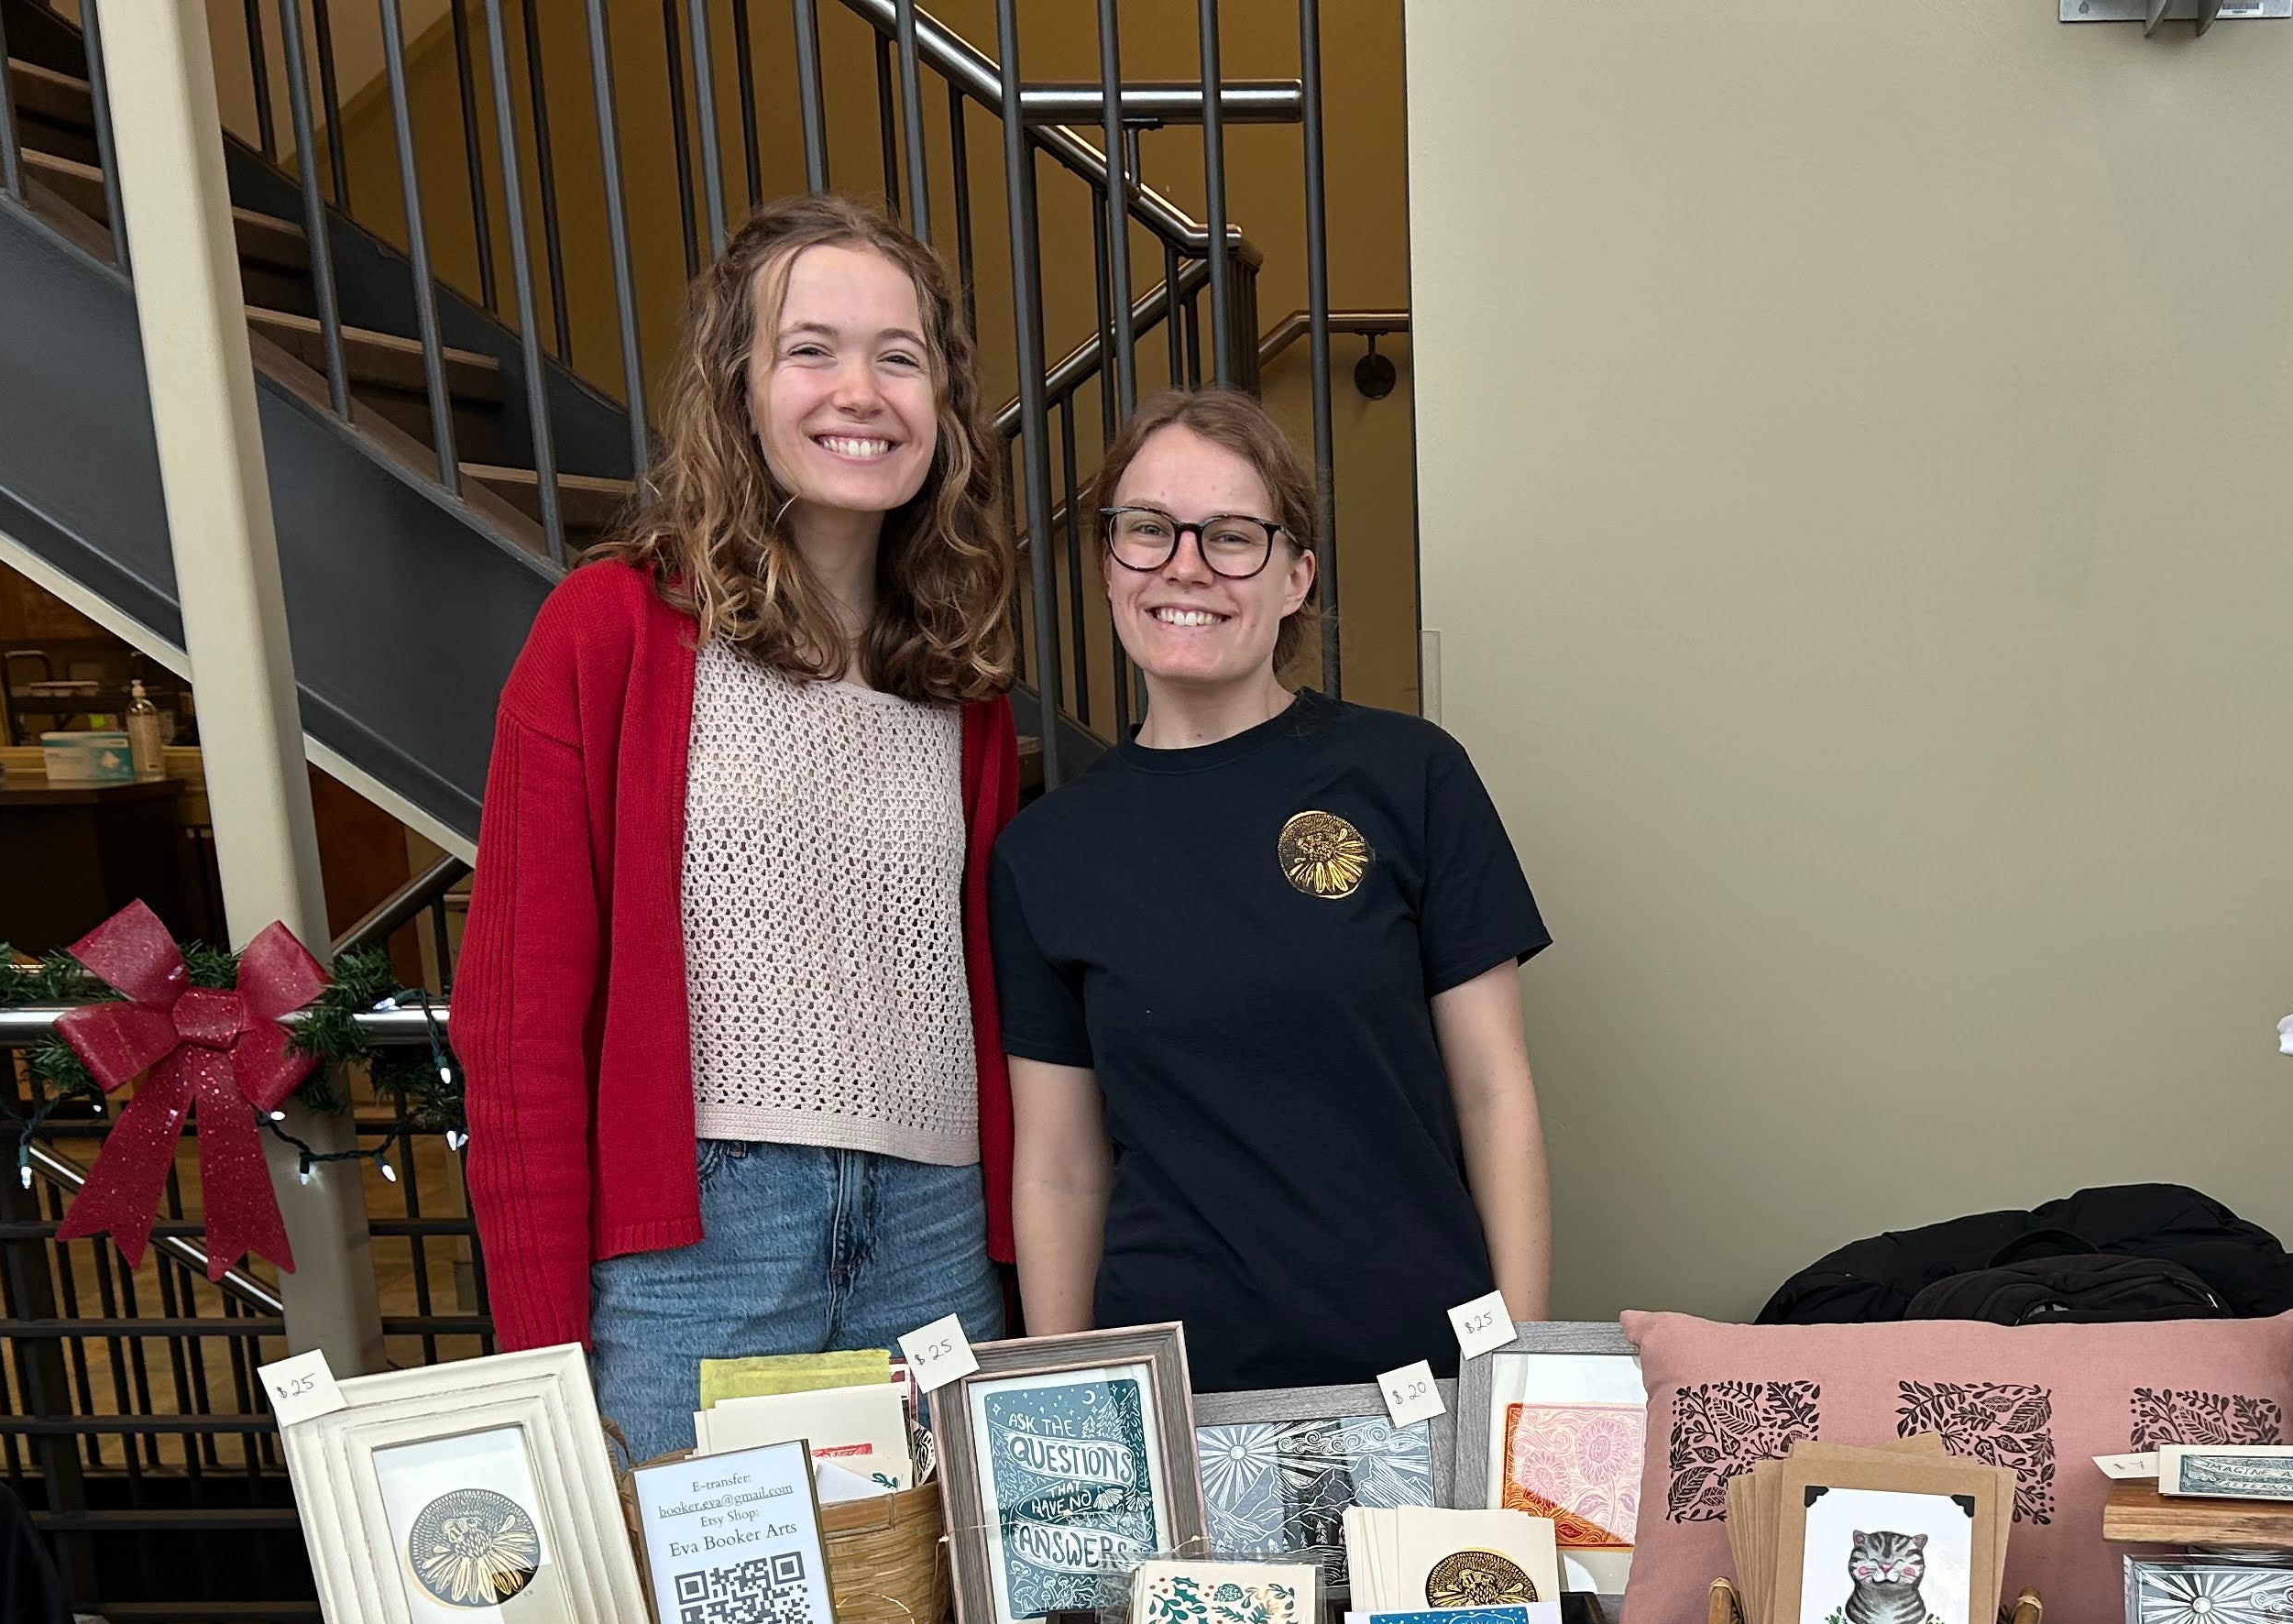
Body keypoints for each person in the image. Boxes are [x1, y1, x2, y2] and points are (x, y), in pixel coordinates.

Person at [455, 196, 1024, 1467]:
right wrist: (541, 1363)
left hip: (934, 1242)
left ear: (941, 402)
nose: (859, 391)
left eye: (900, 355)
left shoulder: (959, 678)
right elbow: (518, 1022)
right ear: (740, 388)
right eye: (810, 349)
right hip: (695, 1254)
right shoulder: (611, 634)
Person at [991, 387, 1555, 1391]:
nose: (1185, 566)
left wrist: (1519, 1374)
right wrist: (1070, 1399)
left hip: (1418, 1373)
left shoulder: (1409, 776)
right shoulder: (1045, 853)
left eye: (1232, 537)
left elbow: (1493, 1091)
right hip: (1179, 1394)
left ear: (1296, 577)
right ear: (1109, 562)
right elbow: (1061, 1169)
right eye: (1148, 530)